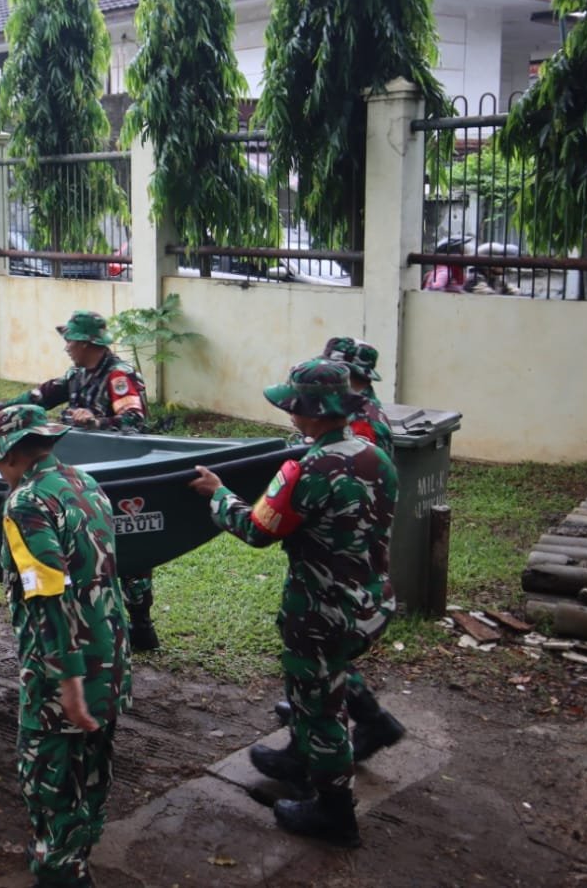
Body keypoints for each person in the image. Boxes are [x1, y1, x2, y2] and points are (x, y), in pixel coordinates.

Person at [187, 359, 404, 847]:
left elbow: (257, 529)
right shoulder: (375, 455)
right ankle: (301, 761)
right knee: (324, 688)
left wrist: (219, 495)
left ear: (310, 411)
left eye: (293, 406)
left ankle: (334, 813)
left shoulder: (306, 470)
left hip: (322, 611)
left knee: (320, 712)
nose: (288, 413)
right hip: (371, 599)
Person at [0, 405, 129, 888]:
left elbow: (47, 594)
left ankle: (62, 871)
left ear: (10, 454)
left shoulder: (25, 503)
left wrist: (68, 679)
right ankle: (76, 853)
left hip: (63, 666)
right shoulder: (85, 483)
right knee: (92, 765)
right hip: (110, 654)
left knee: (49, 774)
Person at [0, 310, 160, 652]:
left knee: (128, 550)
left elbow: (135, 422)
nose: (66, 346)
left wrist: (97, 421)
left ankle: (141, 623)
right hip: (82, 469)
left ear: (86, 343)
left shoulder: (119, 375)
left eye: (69, 340)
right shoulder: (77, 374)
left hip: (120, 469)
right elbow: (39, 397)